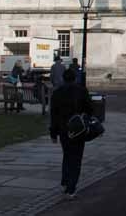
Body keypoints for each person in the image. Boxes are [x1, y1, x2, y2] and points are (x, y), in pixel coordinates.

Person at [50, 68, 93, 198]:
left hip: (63, 129)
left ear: (63, 78)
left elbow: (54, 115)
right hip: (78, 128)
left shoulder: (57, 93)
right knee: (76, 158)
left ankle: (65, 180)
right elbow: (90, 109)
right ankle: (71, 187)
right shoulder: (82, 91)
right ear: (75, 78)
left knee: (67, 155)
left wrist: (53, 133)